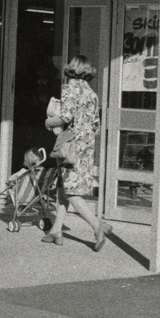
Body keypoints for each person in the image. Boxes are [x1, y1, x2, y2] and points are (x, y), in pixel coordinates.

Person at [42, 54, 111, 251]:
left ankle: (98, 226)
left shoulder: (69, 88)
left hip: (70, 146)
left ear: (71, 69)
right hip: (86, 147)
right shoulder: (91, 93)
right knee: (64, 188)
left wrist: (48, 122)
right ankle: (56, 230)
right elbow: (96, 125)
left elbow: (66, 115)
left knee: (71, 192)